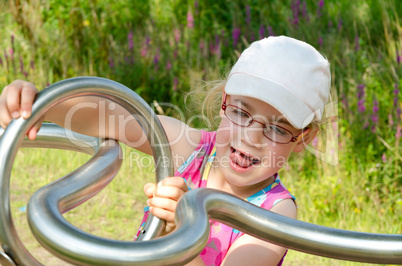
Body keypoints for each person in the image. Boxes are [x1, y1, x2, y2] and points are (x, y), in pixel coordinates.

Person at [0, 35, 331, 265]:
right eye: (241, 113)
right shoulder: (190, 148)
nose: (251, 136)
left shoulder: (276, 212)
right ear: (223, 102)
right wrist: (42, 102)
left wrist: (181, 238)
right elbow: (109, 116)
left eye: (277, 127)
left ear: (303, 138)